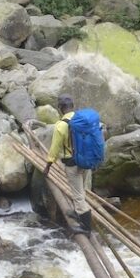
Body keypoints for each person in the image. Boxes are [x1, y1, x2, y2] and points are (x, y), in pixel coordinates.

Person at [44, 95, 93, 233]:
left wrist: (48, 166)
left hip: (72, 164)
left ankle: (86, 228)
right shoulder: (83, 120)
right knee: (81, 190)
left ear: (60, 109)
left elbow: (54, 148)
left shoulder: (61, 125)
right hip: (86, 161)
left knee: (77, 195)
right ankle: (79, 214)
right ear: (73, 106)